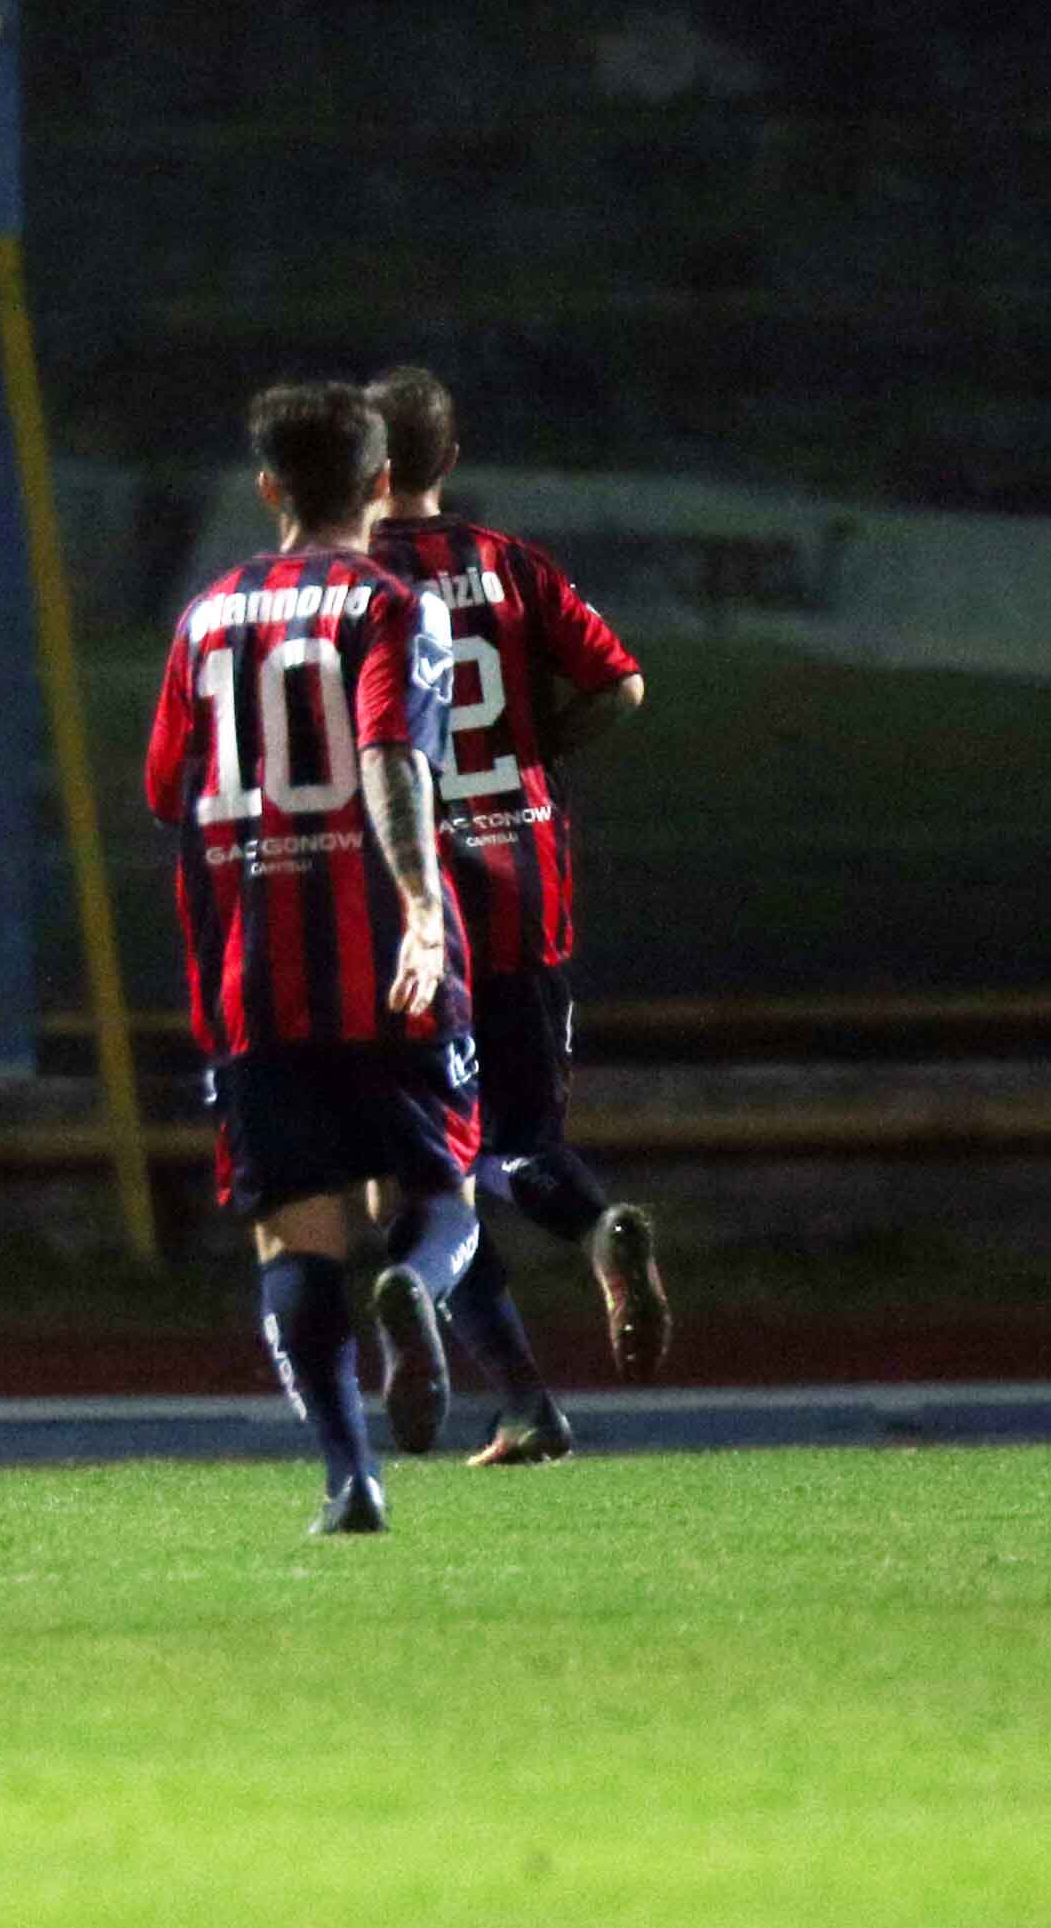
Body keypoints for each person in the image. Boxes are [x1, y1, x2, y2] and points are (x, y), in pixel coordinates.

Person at [144, 383, 480, 1535]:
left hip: (253, 972)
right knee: (441, 1191)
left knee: (294, 1227)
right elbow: (391, 751)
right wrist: (421, 906)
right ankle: (417, 1287)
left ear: (268, 488)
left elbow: (166, 789)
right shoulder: (393, 605)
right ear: (382, 484)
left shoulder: (204, 616)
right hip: (385, 959)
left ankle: (351, 1478)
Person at [365, 366, 663, 1460]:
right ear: (449, 458)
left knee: (423, 1174)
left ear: (370, 465)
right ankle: (593, 1226)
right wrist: (537, 749)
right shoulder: (511, 563)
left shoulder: (354, 583)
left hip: (411, 912)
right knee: (524, 1140)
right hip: (527, 888)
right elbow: (622, 685)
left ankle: (521, 1392)